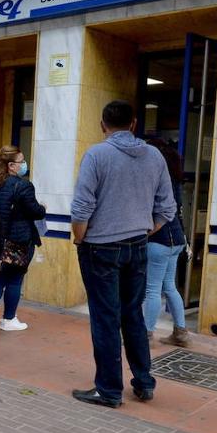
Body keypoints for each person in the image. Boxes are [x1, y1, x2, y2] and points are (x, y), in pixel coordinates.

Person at [70, 100, 175, 408]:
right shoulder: (154, 156)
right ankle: (144, 383)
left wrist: (80, 239)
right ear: (133, 123)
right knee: (133, 315)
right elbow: (166, 207)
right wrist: (144, 230)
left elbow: (81, 208)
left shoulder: (96, 155)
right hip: (137, 246)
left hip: (99, 247)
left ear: (103, 124)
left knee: (105, 318)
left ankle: (108, 389)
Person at [0, 145, 47, 334]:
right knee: (14, 280)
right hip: (18, 241)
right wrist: (43, 208)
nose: (24, 165)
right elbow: (35, 211)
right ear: (11, 165)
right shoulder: (22, 185)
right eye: (21, 161)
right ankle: (8, 319)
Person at [142, 137, 190, 347]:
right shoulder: (176, 180)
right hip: (177, 238)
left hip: (159, 239)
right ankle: (180, 333)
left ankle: (146, 335)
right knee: (169, 286)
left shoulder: (156, 179)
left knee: (152, 289)